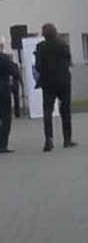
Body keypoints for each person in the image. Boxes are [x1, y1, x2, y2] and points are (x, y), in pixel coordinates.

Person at [35, 23, 76, 152]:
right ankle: (67, 139)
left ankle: (49, 139)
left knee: (47, 111)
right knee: (66, 110)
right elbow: (69, 61)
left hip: (48, 83)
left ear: (44, 34)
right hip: (63, 81)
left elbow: (38, 66)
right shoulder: (63, 44)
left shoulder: (41, 47)